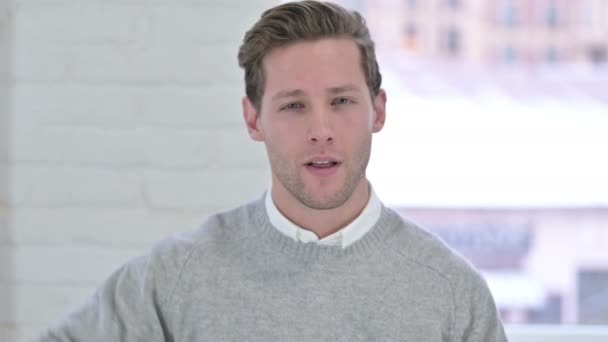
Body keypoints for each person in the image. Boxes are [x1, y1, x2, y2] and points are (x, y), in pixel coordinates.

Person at [35, 1, 507, 341]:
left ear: (377, 111)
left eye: (341, 101)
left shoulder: (451, 292)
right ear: (253, 119)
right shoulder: (173, 279)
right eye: (294, 105)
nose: (321, 130)